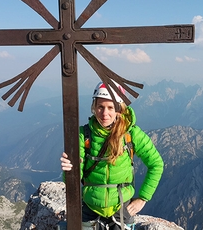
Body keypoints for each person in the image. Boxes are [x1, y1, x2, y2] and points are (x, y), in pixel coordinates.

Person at [61, 81, 164, 230]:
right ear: (94, 108)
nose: (105, 113)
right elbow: (73, 180)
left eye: (110, 107)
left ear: (119, 109)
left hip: (121, 208)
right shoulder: (83, 135)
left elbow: (156, 164)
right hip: (90, 208)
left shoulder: (131, 134)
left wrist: (143, 198)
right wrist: (69, 170)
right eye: (100, 107)